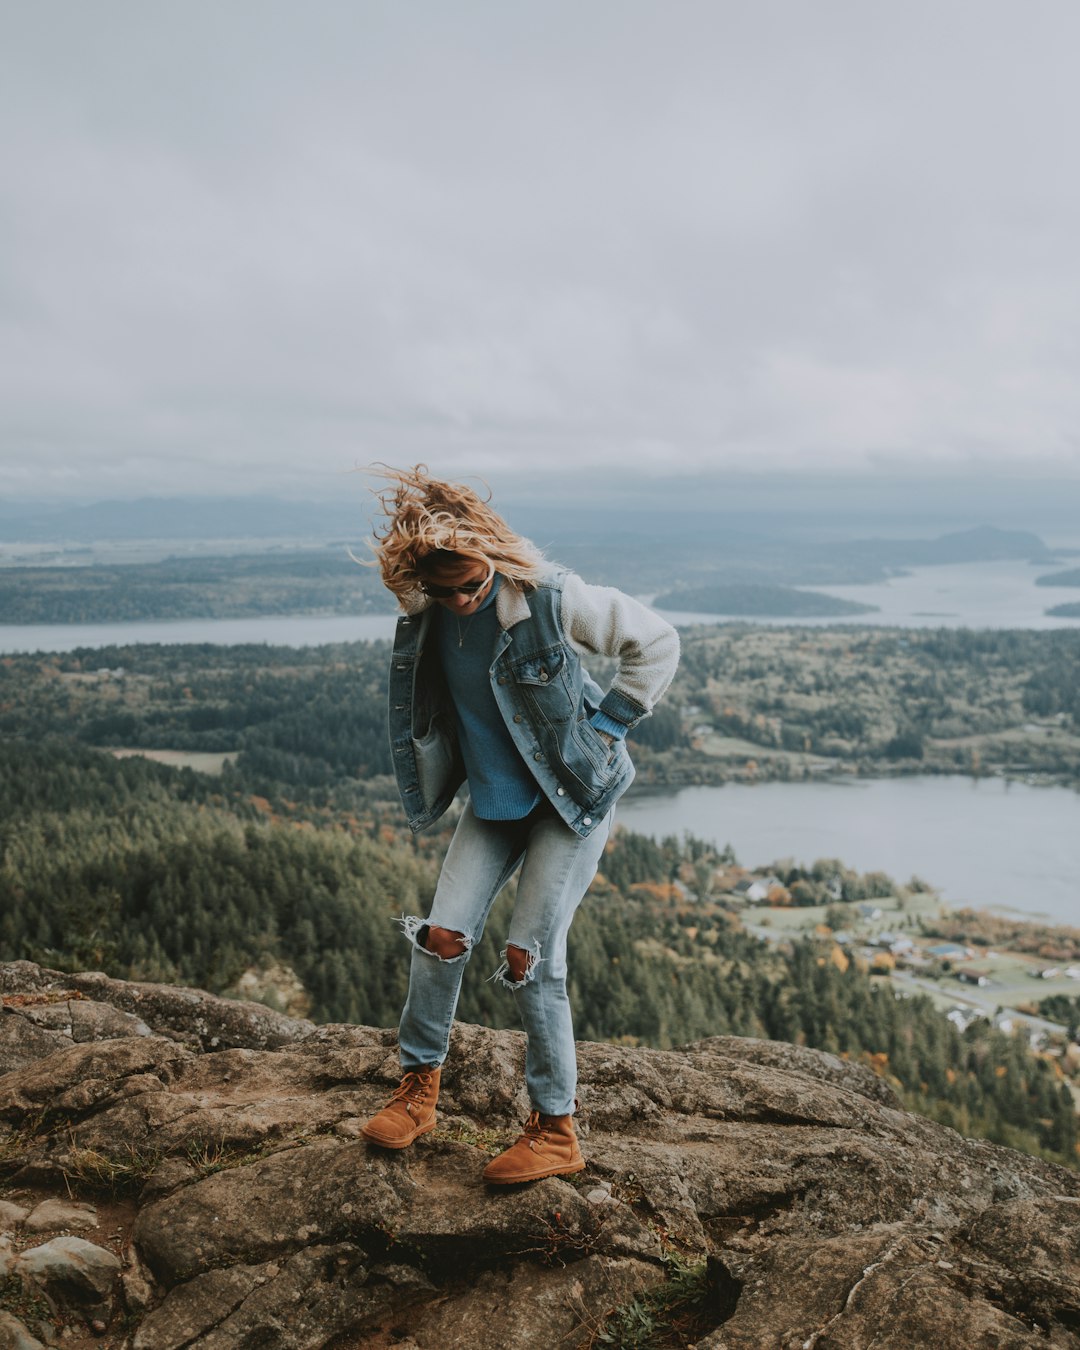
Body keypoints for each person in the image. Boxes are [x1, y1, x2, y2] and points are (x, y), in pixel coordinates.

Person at [360, 466, 679, 1183]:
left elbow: (656, 643)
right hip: (498, 804)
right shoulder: (428, 615)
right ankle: (418, 1094)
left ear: (493, 561)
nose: (463, 600)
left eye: (473, 584)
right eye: (446, 591)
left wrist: (609, 726)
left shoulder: (549, 596)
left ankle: (555, 1129)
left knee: (529, 959)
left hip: (571, 800)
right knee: (441, 938)